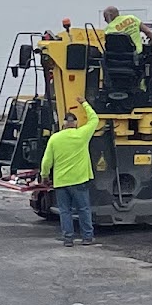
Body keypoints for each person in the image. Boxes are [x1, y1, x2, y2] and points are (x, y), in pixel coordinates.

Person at [38, 97, 102, 244]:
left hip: (61, 182)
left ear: (63, 125)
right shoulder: (82, 135)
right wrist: (84, 103)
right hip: (79, 180)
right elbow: (94, 119)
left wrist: (45, 176)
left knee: (65, 211)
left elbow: (46, 161)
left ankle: (68, 239)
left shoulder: (55, 139)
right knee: (83, 209)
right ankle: (87, 237)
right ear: (76, 124)